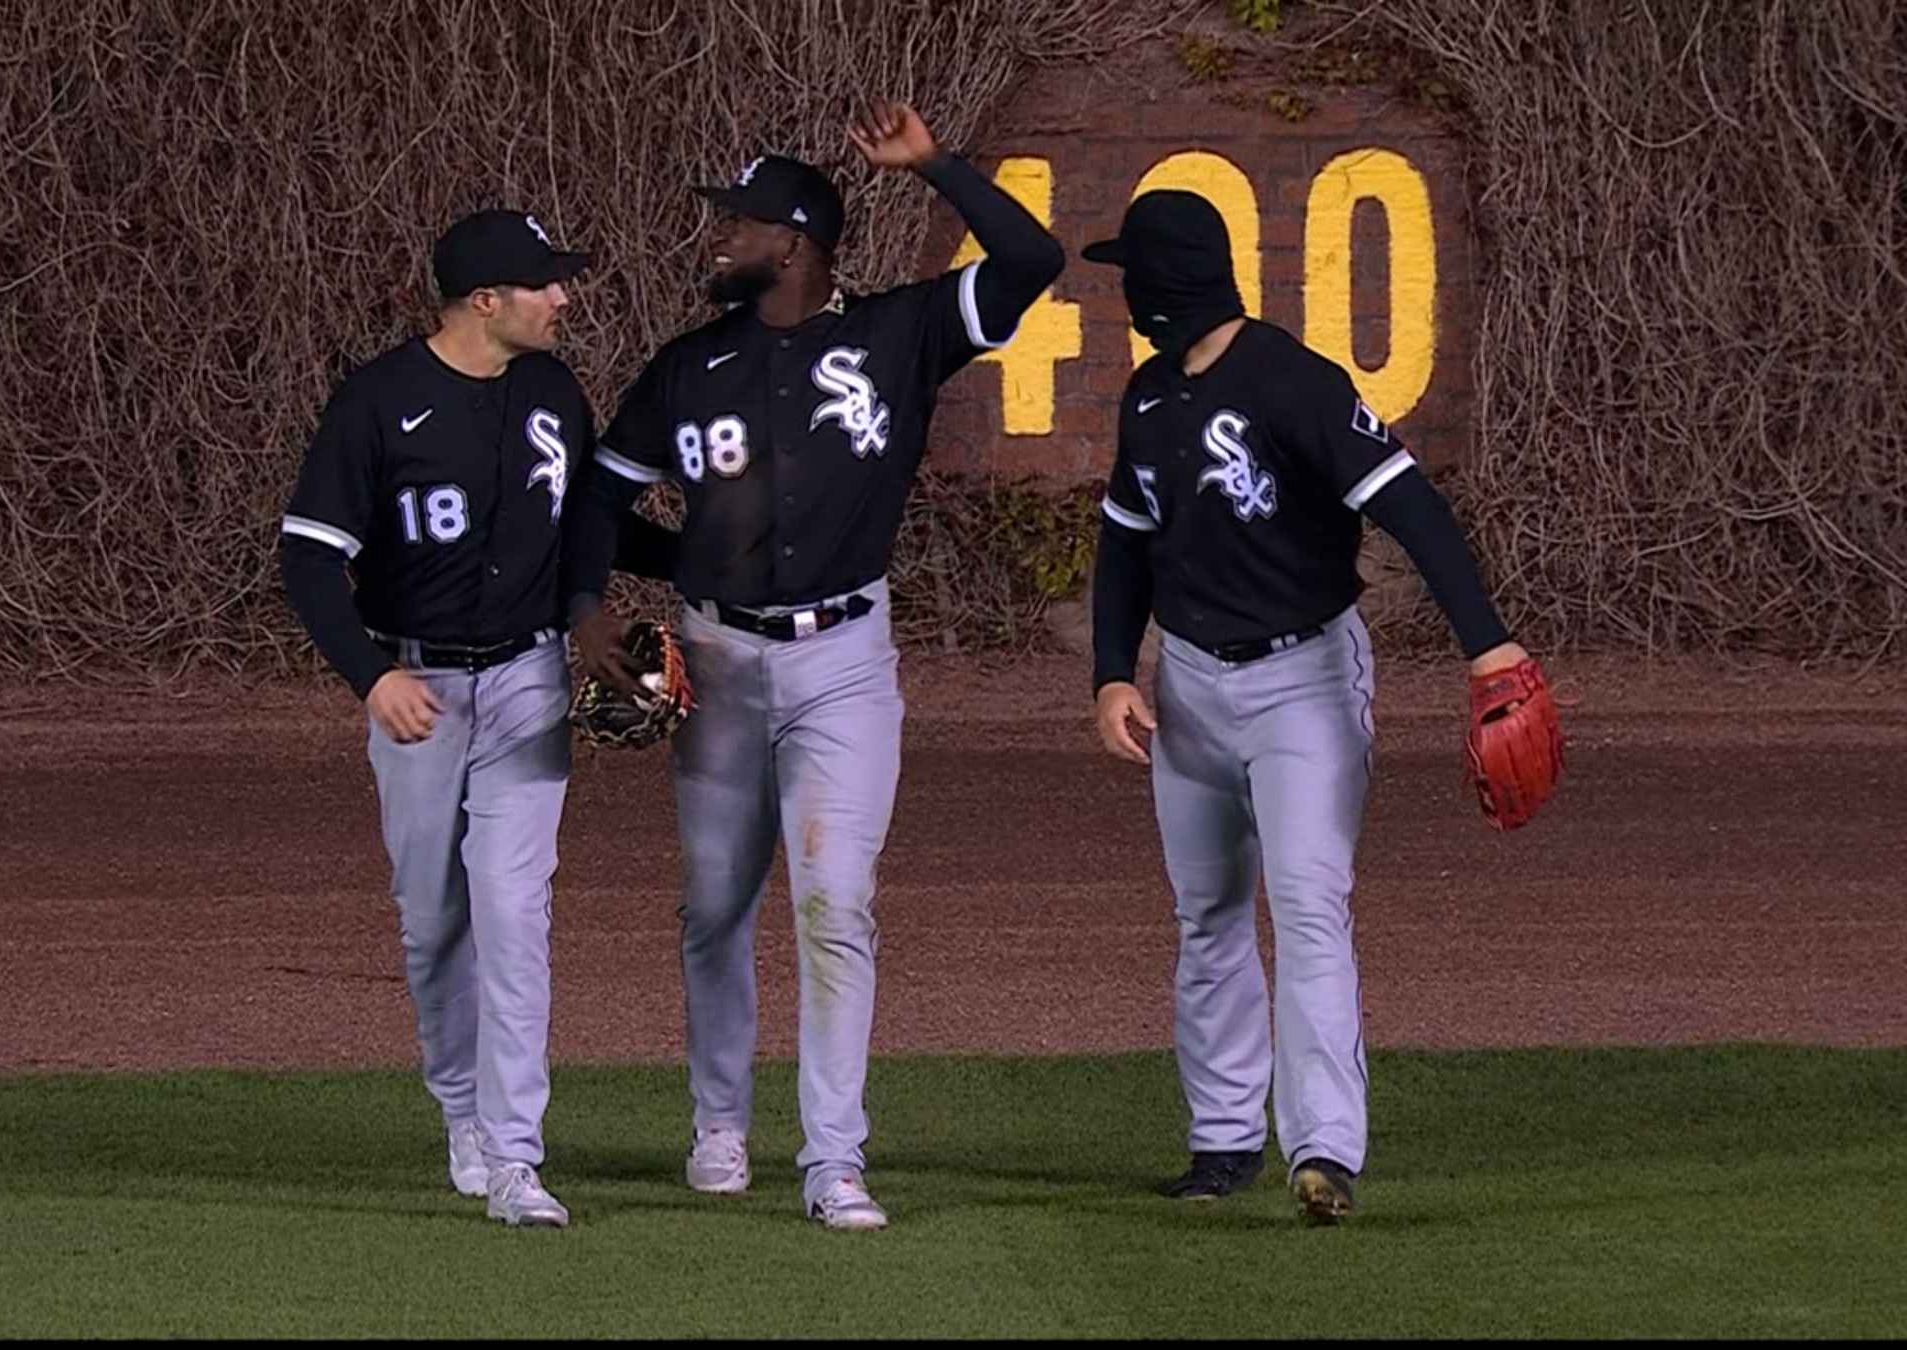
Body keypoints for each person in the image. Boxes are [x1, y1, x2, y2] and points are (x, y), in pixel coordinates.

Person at [560, 101, 1065, 1230]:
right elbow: (598, 495)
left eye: (735, 226)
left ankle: (835, 1157)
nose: (716, 241)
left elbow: (1032, 257)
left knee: (836, 905)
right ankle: (720, 1125)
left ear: (791, 242)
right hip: (718, 661)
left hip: (844, 664)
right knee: (714, 907)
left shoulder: (901, 334)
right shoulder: (688, 368)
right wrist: (589, 612)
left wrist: (935, 164)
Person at [1079, 188, 1546, 1224]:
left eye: (1133, 277)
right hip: (1191, 688)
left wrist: (1488, 645)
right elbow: (1125, 544)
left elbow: (1410, 505)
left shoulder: (1294, 382)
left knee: (1306, 906)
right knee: (1206, 917)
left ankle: (1324, 1148)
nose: (1125, 294)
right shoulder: (1149, 397)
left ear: (1168, 285)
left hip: (1305, 685)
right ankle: (1223, 1138)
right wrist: (1115, 669)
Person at [276, 207, 673, 1228]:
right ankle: (460, 1108)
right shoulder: (378, 402)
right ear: (484, 301)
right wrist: (369, 675)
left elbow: (591, 526)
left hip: (528, 682)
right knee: (433, 921)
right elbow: (311, 556)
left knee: (513, 913)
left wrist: (701, 569)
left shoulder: (550, 392)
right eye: (545, 284)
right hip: (418, 690)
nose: (564, 296)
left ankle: (513, 1158)